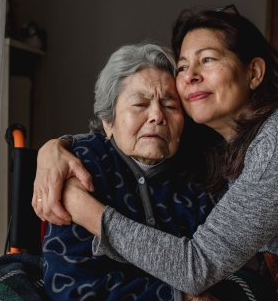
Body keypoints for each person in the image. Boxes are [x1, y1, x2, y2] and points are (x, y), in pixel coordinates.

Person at [34, 6, 278, 300]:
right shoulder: (224, 145)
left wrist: (79, 204)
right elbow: (127, 133)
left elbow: (198, 267)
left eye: (207, 59)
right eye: (183, 66)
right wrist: (55, 148)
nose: (191, 75)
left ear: (254, 72)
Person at [42, 42, 263, 301]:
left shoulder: (205, 170)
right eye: (140, 104)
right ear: (108, 121)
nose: (157, 116)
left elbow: (230, 268)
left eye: (170, 105)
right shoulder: (83, 166)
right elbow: (72, 284)